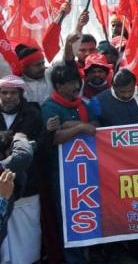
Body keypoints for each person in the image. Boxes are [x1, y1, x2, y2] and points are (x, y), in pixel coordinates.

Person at [42, 63, 97, 264]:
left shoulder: (82, 103)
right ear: (58, 86)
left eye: (77, 82)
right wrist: (79, 127)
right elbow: (54, 138)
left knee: (88, 214)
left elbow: (95, 126)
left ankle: (88, 253)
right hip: (63, 174)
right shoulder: (49, 107)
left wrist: (75, 125)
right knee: (69, 218)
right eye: (70, 83)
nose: (76, 86)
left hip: (86, 172)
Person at [0, 76, 44, 264]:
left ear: (21, 94)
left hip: (26, 184)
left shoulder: (32, 113)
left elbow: (30, 145)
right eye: (4, 92)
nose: (8, 97)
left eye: (13, 93)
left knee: (27, 236)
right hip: (1, 187)